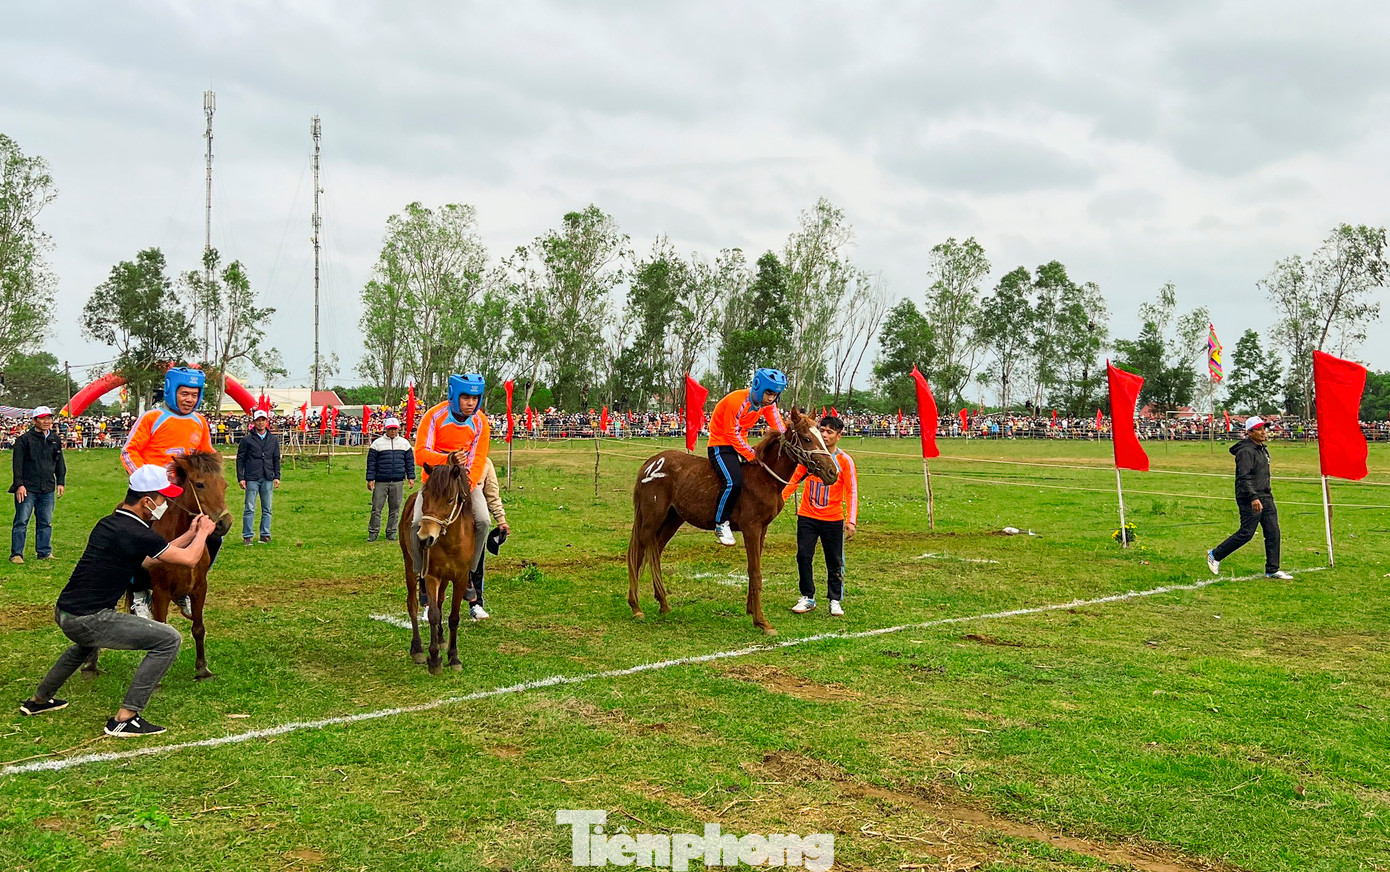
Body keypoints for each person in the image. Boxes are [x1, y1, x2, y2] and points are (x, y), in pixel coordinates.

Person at [18, 465, 216, 737]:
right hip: (90, 618)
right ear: (147, 501)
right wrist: (204, 533)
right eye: (162, 499)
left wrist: (191, 534)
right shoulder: (137, 532)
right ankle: (126, 717)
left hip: (66, 612)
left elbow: (149, 559)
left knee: (84, 646)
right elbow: (190, 559)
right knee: (168, 639)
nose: (165, 505)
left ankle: (39, 701)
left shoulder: (112, 523)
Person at [120, 367, 218, 618]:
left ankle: (188, 586)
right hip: (152, 494)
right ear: (171, 391)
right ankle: (139, 590)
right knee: (136, 538)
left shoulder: (200, 422)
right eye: (184, 393)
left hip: (186, 496)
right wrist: (147, 481)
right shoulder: (152, 417)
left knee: (214, 533)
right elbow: (128, 452)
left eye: (195, 395)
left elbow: (205, 458)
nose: (189, 400)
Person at [412, 374, 491, 605]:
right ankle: (421, 574)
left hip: (465, 483)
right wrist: (447, 459)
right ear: (454, 395)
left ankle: (469, 573)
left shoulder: (480, 422)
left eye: (475, 398)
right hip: (435, 483)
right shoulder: (434, 416)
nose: (471, 403)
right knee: (416, 521)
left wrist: (467, 485)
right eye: (466, 397)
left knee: (484, 521)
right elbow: (420, 453)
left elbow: (478, 459)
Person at [781, 415, 859, 617]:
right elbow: (793, 481)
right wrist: (777, 502)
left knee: (834, 561)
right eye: (822, 430)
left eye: (829, 432)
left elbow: (851, 491)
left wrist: (851, 520)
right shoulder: (810, 457)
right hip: (807, 516)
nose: (825, 435)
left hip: (833, 519)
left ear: (839, 436)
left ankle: (835, 600)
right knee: (803, 556)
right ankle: (807, 596)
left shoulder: (844, 461)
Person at [707, 368, 787, 546]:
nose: (771, 398)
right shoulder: (736, 401)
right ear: (758, 387)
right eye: (769, 393)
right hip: (721, 444)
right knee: (732, 481)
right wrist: (750, 454)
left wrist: (789, 439)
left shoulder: (768, 405)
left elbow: (779, 427)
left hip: (740, 443)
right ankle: (721, 523)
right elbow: (731, 433)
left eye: (775, 394)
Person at [1208, 416, 1293, 580]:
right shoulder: (1246, 452)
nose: (1263, 432)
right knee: (1246, 533)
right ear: (1249, 432)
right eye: (1259, 429)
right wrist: (1253, 497)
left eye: (1264, 428)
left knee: (1273, 532)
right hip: (1250, 497)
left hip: (1266, 496)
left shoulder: (1262, 449)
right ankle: (1215, 554)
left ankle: (1272, 569)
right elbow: (1243, 477)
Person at [10, 406, 66, 564]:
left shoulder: (55, 439)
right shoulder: (24, 440)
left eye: (49, 418)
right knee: (21, 521)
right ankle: (17, 554)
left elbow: (59, 462)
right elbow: (17, 465)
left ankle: (44, 551)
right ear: (34, 420)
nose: (46, 421)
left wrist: (60, 481)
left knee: (45, 522)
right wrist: (19, 485)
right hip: (27, 488)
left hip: (47, 487)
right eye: (42, 418)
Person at [468, 456, 511, 621]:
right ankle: (428, 601)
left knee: (477, 561)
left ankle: (476, 604)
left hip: (472, 521)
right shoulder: (447, 456)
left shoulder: (485, 462)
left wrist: (501, 519)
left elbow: (492, 494)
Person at [236, 409, 281, 545]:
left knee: (267, 508)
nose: (261, 423)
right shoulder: (246, 440)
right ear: (254, 422)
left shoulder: (273, 439)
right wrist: (241, 477)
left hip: (267, 476)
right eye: (258, 420)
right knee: (249, 507)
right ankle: (247, 535)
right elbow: (240, 459)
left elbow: (276, 459)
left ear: (266, 421)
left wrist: (277, 476)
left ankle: (265, 534)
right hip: (252, 477)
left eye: (263, 420)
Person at [366, 416, 414, 542]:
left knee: (395, 509)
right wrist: (370, 479)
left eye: (395, 429)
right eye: (390, 429)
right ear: (386, 429)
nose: (393, 431)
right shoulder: (377, 444)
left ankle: (391, 532)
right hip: (381, 481)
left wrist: (411, 477)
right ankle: (373, 532)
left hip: (397, 481)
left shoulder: (404, 444)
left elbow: (409, 462)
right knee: (376, 508)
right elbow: (371, 464)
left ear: (398, 429)